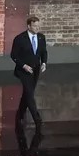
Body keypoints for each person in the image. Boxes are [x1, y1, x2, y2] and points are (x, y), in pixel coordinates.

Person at [10, 13, 47, 146]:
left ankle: (20, 114)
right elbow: (13, 55)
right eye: (35, 26)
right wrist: (24, 66)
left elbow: (44, 52)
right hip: (24, 71)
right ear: (29, 26)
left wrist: (44, 63)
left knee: (27, 93)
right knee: (30, 94)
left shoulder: (42, 37)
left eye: (38, 26)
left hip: (35, 70)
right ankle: (37, 120)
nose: (37, 28)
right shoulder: (20, 39)